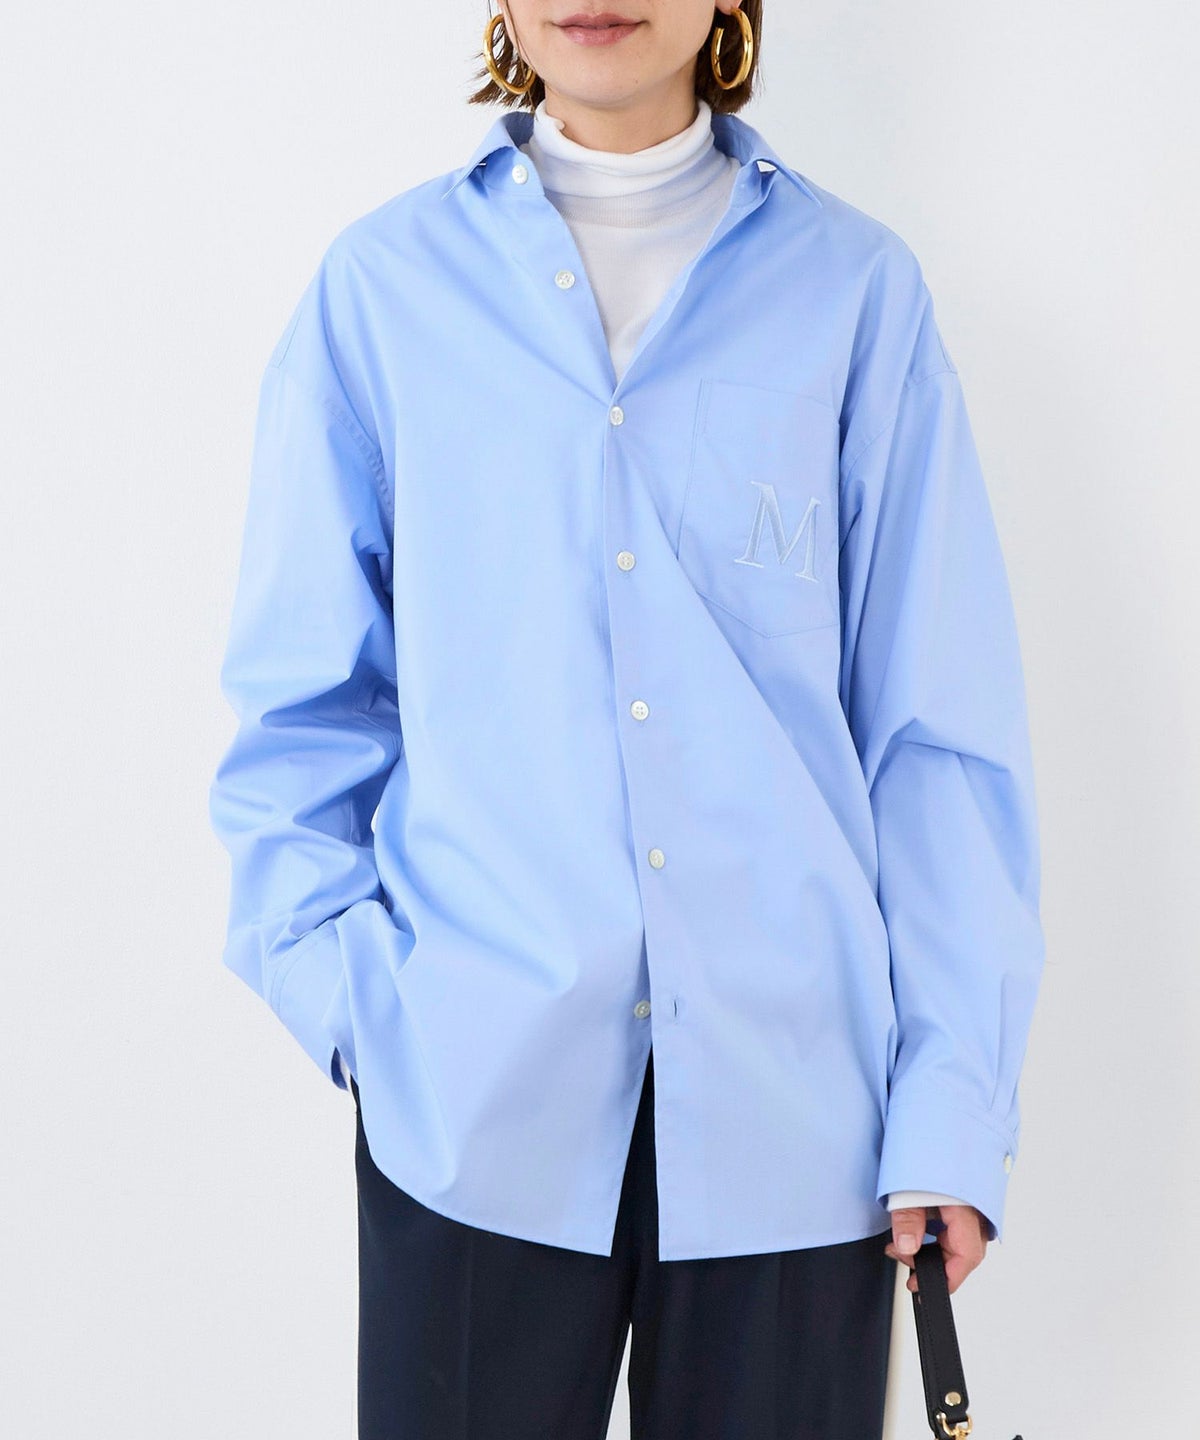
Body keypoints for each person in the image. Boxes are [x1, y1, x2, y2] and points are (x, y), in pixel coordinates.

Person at [208, 3, 1046, 1436]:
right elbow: (302, 708)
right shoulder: (383, 292)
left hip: (799, 1118)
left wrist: (950, 1103)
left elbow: (935, 739)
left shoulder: (857, 293)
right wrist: (365, 1014)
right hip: (473, 1103)